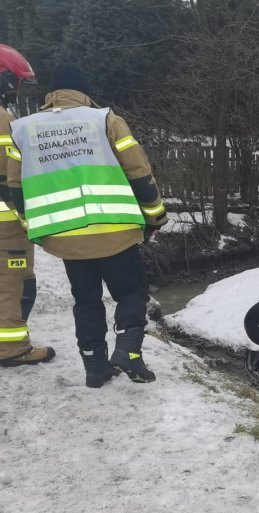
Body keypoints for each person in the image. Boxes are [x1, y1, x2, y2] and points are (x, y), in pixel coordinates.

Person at [5, 63, 168, 387]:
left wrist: (31, 226)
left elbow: (15, 187)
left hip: (68, 239)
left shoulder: (23, 129)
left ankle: (95, 369)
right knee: (131, 292)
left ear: (51, 95)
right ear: (83, 92)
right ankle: (129, 352)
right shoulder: (104, 120)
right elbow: (138, 171)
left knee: (87, 301)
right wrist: (155, 215)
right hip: (116, 230)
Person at [0, 44, 55, 367]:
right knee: (14, 284)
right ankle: (10, 348)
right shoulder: (5, 122)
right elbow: (16, 177)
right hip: (6, 226)